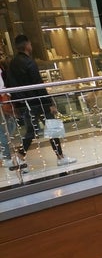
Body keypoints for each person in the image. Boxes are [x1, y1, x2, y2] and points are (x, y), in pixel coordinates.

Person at [6, 34, 76, 170]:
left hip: (25, 102)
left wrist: (18, 102)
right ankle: (61, 157)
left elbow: (10, 84)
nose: (31, 47)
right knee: (52, 127)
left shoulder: (13, 63)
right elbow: (39, 85)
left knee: (32, 129)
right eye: (30, 45)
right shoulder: (29, 63)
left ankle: (20, 156)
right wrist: (50, 103)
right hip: (39, 102)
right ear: (27, 46)